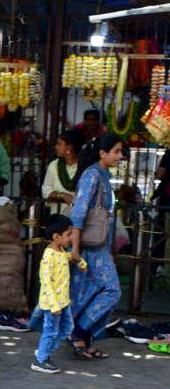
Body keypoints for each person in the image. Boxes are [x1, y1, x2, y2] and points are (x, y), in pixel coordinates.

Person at [69, 132, 123, 359]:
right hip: (90, 248)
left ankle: (85, 339)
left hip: (98, 247)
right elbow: (79, 212)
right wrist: (75, 248)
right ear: (102, 153)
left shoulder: (102, 176)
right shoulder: (92, 176)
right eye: (116, 151)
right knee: (112, 291)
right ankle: (79, 331)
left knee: (91, 293)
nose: (120, 156)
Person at [29, 215, 86, 374]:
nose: (71, 238)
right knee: (51, 331)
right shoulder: (48, 257)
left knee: (68, 328)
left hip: (64, 301)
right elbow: (45, 282)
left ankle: (44, 351)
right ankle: (40, 360)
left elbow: (70, 258)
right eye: (68, 234)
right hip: (53, 304)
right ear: (56, 236)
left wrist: (80, 262)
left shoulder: (61, 251)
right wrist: (54, 306)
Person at [41, 129, 84, 216]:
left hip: (79, 217)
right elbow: (45, 190)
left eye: (59, 144)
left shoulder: (84, 167)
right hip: (57, 217)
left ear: (69, 147)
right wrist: (63, 196)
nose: (55, 147)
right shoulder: (54, 165)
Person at [152, 148, 170, 276]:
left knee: (166, 234)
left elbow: (160, 174)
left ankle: (166, 270)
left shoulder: (169, 153)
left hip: (168, 202)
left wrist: (156, 173)